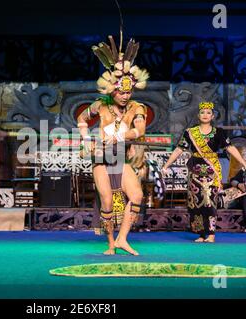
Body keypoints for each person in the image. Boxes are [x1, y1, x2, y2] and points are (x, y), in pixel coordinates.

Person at [77, 35, 149, 255]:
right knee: (107, 201)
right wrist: (87, 139)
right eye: (121, 92)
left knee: (136, 196)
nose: (125, 96)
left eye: (128, 92)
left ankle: (122, 239)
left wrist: (118, 137)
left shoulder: (137, 107)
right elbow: (81, 120)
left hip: (120, 156)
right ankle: (110, 243)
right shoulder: (101, 105)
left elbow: (139, 131)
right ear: (112, 90)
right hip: (100, 157)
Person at [161, 102, 246, 242]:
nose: (205, 115)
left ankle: (211, 234)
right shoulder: (190, 132)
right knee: (196, 202)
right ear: (198, 115)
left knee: (210, 201)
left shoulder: (219, 132)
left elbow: (230, 148)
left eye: (208, 112)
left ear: (212, 116)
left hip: (212, 169)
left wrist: (243, 163)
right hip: (195, 170)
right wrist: (166, 165)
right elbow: (179, 149)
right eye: (202, 112)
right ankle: (201, 233)